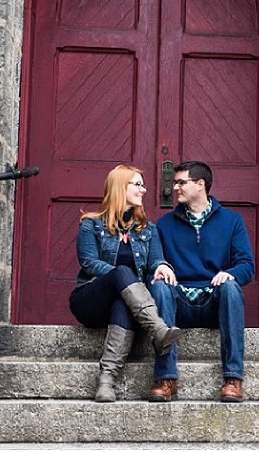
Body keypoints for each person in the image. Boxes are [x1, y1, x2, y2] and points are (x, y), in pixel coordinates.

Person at [69, 164, 180, 403]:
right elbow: (89, 263)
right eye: (138, 184)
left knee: (123, 302)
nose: (144, 190)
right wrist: (124, 278)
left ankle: (106, 382)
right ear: (121, 187)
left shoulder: (148, 230)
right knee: (122, 273)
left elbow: (156, 260)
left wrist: (162, 266)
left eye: (143, 184)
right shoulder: (91, 224)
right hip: (90, 299)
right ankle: (157, 329)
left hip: (127, 303)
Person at [149, 160, 255, 403]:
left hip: (214, 302)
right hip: (178, 302)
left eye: (181, 182)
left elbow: (247, 266)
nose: (175, 188)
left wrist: (231, 273)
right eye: (175, 183)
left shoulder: (231, 221)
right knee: (159, 287)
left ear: (200, 184)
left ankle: (233, 378)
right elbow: (149, 269)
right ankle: (166, 379)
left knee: (231, 287)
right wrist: (160, 270)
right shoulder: (164, 225)